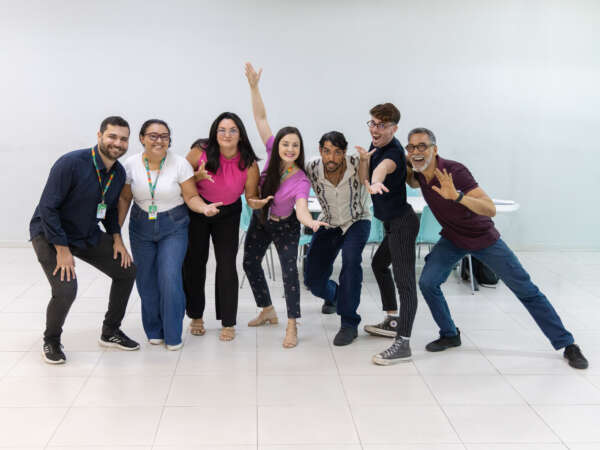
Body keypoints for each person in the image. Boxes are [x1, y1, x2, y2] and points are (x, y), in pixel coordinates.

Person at [372, 127, 589, 370]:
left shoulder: (455, 171)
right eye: (411, 147)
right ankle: (450, 334)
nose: (416, 151)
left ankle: (567, 344)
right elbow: (396, 165)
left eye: (422, 146)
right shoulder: (418, 173)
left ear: (435, 149)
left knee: (526, 289)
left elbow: (489, 208)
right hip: (453, 239)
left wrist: (457, 196)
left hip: (483, 238)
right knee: (428, 283)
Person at [30, 116, 139, 364]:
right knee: (66, 289)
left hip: (85, 232)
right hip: (49, 233)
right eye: (112, 136)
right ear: (99, 136)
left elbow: (110, 210)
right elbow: (48, 208)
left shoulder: (118, 172)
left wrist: (117, 239)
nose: (118, 143)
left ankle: (110, 332)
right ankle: (51, 340)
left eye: (123, 139)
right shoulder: (71, 163)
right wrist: (62, 249)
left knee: (127, 271)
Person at [242, 63, 327, 348]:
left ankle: (292, 324)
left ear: (300, 150)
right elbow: (260, 117)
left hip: (286, 226)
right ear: (277, 145)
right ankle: (267, 309)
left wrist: (310, 221)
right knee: (249, 262)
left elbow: (301, 207)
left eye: (295, 145)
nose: (290, 149)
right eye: (286, 144)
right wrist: (254, 87)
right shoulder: (270, 153)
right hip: (262, 220)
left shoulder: (301, 179)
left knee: (290, 273)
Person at [118, 119, 222, 351]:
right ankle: (154, 330)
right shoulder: (131, 164)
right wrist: (116, 232)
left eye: (164, 136)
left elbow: (191, 196)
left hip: (173, 225)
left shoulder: (180, 164)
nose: (159, 140)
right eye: (153, 136)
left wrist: (204, 208)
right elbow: (125, 198)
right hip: (141, 225)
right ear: (142, 138)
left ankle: (173, 333)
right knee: (145, 279)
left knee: (169, 276)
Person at [182, 112, 260, 341]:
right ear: (215, 133)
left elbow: (251, 196)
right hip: (198, 209)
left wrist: (258, 203)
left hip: (228, 213)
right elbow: (181, 180)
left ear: (240, 135)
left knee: (226, 265)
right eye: (222, 130)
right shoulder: (199, 151)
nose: (227, 134)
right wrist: (196, 177)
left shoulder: (249, 162)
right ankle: (196, 316)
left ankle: (228, 322)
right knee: (195, 263)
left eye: (233, 130)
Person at [359, 103, 420, 359]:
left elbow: (383, 168)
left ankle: (403, 343)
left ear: (394, 129)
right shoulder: (377, 145)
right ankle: (392, 319)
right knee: (378, 264)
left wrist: (376, 181)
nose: (375, 129)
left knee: (405, 284)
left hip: (403, 224)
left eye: (381, 125)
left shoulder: (393, 153)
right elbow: (366, 175)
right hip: (392, 224)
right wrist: (365, 163)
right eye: (372, 123)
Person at [303, 132, 372, 346]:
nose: (331, 158)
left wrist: (366, 161)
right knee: (312, 281)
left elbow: (368, 178)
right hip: (328, 222)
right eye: (327, 151)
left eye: (337, 152)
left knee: (351, 262)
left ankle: (349, 323)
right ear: (320, 150)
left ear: (344, 152)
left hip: (357, 220)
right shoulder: (311, 167)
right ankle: (334, 295)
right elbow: (288, 174)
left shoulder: (357, 163)